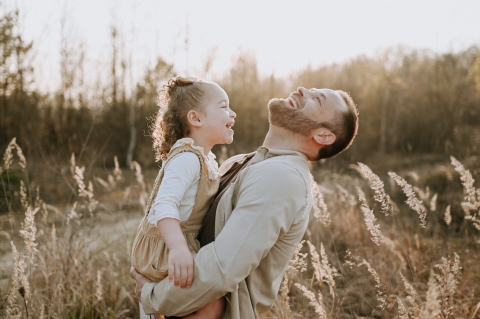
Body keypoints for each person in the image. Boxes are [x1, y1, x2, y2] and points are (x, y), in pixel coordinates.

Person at [131, 86, 359, 318]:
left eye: (317, 99)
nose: (302, 90)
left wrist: (151, 296)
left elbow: (222, 269)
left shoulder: (283, 177)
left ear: (322, 136)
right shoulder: (243, 162)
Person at [130, 76, 236, 319]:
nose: (233, 113)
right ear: (195, 118)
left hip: (178, 247)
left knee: (212, 300)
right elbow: (164, 206)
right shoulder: (186, 158)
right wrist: (178, 248)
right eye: (223, 106)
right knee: (213, 304)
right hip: (164, 252)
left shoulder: (205, 159)